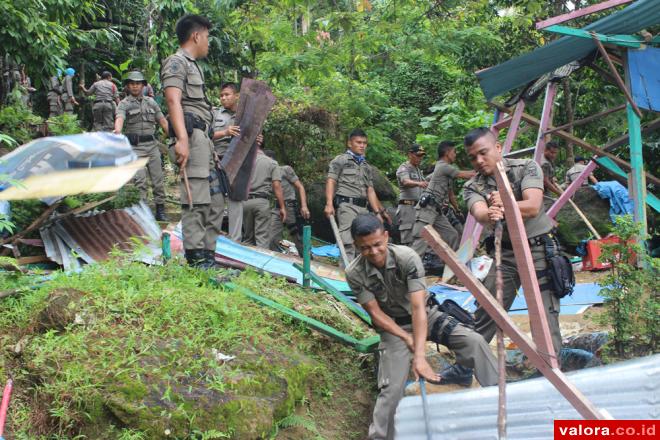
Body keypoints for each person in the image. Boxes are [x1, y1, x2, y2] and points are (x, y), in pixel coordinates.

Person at [345, 214, 498, 440]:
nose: (374, 252)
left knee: (473, 341)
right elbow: (376, 315)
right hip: (393, 327)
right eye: (365, 248)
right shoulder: (354, 273)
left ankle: (504, 402)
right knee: (392, 390)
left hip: (427, 315)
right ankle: (379, 437)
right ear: (357, 246)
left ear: (386, 237)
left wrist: (419, 356)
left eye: (377, 244)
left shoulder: (407, 257)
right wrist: (407, 339)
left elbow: (418, 308)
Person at [462, 127, 562, 356]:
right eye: (472, 157)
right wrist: (491, 213)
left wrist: (506, 203)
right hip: (505, 255)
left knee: (544, 316)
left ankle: (552, 367)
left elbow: (533, 206)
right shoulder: (473, 186)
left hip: (539, 251)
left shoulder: (526, 167)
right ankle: (466, 365)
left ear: (498, 148)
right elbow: (480, 213)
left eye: (483, 153)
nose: (478, 160)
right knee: (488, 309)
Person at [161, 14, 217, 268]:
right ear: (196, 35)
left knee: (212, 199)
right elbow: (173, 100)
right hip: (191, 138)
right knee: (196, 200)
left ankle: (207, 257)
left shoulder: (194, 65)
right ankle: (197, 262)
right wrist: (182, 139)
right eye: (206, 36)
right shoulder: (176, 62)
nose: (208, 42)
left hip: (203, 139)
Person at [324, 129, 392, 263]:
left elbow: (370, 190)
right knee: (347, 242)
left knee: (364, 242)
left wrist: (378, 212)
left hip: (363, 209)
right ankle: (345, 276)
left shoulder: (366, 166)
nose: (362, 145)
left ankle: (360, 276)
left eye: (364, 143)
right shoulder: (341, 160)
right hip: (347, 205)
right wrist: (329, 203)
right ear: (350, 143)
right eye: (358, 142)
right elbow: (331, 181)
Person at [114, 71, 169, 221]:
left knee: (158, 180)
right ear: (128, 86)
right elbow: (120, 118)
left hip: (152, 146)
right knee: (140, 181)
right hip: (135, 148)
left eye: (138, 83)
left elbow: (162, 120)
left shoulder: (151, 102)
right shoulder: (124, 103)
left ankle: (160, 209)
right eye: (132, 83)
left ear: (143, 85)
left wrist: (174, 134)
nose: (135, 86)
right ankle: (143, 212)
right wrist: (118, 131)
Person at [410, 140, 475, 256]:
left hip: (436, 210)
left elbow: (450, 194)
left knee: (452, 236)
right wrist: (485, 168)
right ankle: (410, 271)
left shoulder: (444, 170)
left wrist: (457, 209)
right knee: (420, 243)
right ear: (448, 152)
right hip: (427, 209)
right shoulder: (443, 166)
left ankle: (454, 269)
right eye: (454, 152)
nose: (455, 155)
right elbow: (466, 175)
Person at [210, 82, 243, 242]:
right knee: (215, 198)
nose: (223, 98)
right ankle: (213, 237)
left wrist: (258, 139)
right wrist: (225, 132)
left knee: (235, 199)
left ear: (237, 96)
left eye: (227, 95)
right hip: (217, 160)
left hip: (237, 163)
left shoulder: (245, 115)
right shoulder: (215, 114)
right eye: (221, 95)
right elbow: (205, 135)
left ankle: (235, 239)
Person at [242, 147, 286, 248]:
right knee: (262, 238)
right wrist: (282, 207)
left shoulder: (244, 160)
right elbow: (276, 186)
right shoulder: (271, 163)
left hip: (245, 201)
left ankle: (246, 262)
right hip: (261, 201)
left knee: (248, 238)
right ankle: (259, 263)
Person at [268, 158, 311, 253]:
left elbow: (300, 187)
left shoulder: (285, 169)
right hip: (277, 208)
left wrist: (304, 206)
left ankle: (308, 261)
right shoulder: (266, 174)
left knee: (298, 237)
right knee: (272, 237)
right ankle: (276, 260)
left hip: (290, 206)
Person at [395, 144, 427, 246]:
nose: (420, 158)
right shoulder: (404, 168)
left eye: (422, 156)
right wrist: (419, 183)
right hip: (407, 207)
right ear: (410, 154)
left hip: (418, 208)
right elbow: (405, 181)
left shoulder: (418, 170)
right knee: (408, 239)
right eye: (418, 155)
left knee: (419, 238)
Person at [541, 141, 562, 211]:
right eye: (552, 152)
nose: (553, 155)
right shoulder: (544, 163)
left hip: (545, 189)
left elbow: (549, 176)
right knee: (547, 208)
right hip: (541, 190)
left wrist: (554, 183)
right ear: (545, 150)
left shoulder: (549, 159)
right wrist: (559, 193)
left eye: (555, 153)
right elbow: (545, 181)